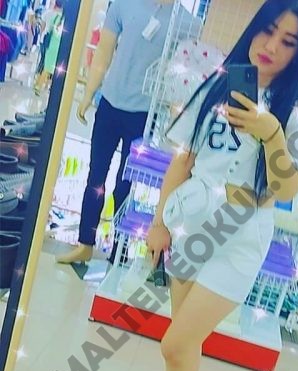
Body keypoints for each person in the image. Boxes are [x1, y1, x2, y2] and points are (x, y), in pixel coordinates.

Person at [125, 0, 298, 371]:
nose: (271, 46)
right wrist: (158, 223)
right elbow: (183, 160)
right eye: (268, 31)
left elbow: (286, 188)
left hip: (236, 243)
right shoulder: (216, 86)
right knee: (182, 351)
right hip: (190, 229)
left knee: (174, 344)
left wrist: (271, 133)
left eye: (288, 41)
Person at [56, 0, 200, 265]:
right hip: (109, 104)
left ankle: (118, 251)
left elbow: (179, 78)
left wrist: (175, 121)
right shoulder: (124, 4)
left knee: (126, 186)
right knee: (95, 177)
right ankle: (85, 243)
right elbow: (104, 51)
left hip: (144, 115)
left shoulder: (188, 24)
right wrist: (89, 92)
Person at [34, 0, 64, 94]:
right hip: (56, 46)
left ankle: (38, 82)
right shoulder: (62, 18)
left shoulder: (49, 14)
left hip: (47, 42)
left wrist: (40, 37)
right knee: (50, 67)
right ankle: (43, 85)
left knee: (44, 64)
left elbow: (43, 28)